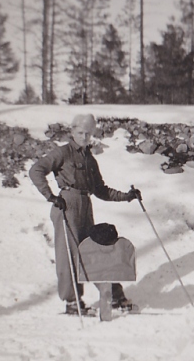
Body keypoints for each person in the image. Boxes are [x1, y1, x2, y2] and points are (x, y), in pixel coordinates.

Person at [29, 113, 141, 315]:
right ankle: (72, 303)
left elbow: (101, 189)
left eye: (88, 133)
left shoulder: (89, 159)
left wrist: (127, 196)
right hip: (67, 206)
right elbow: (36, 170)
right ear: (72, 131)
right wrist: (51, 196)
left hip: (85, 207)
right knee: (69, 256)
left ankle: (113, 296)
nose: (84, 136)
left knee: (96, 251)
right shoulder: (62, 153)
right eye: (80, 132)